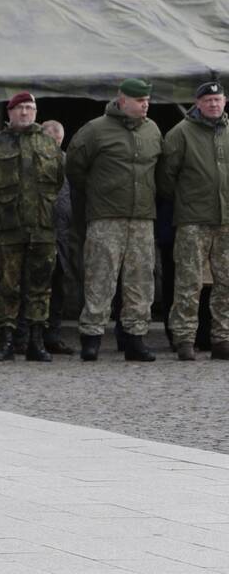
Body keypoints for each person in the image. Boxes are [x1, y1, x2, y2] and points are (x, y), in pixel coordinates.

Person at [67, 79, 163, 362]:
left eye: (147, 99)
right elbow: (74, 168)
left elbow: (162, 170)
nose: (145, 104)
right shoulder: (96, 130)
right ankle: (92, 336)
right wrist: (99, 192)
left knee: (140, 280)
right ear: (122, 101)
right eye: (139, 100)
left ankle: (135, 337)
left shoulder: (152, 130)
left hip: (142, 217)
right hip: (106, 216)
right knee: (100, 277)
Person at [0, 92, 64, 362]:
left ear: (36, 111)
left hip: (42, 227)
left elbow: (58, 180)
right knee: (7, 287)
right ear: (10, 112)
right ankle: (8, 340)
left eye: (29, 108)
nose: (25, 113)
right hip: (8, 228)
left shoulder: (49, 144)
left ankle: (37, 340)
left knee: (40, 287)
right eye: (19, 108)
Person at [157, 80, 229, 361]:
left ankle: (222, 338)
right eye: (208, 100)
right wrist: (188, 202)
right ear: (197, 103)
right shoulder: (181, 133)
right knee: (188, 282)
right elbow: (165, 179)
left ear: (224, 102)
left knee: (225, 283)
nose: (213, 104)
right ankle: (184, 339)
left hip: (226, 221)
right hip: (192, 221)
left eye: (218, 99)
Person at [40, 119, 78, 354]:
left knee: (59, 287)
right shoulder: (34, 161)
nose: (54, 144)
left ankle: (52, 335)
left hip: (63, 234)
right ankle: (29, 335)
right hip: (39, 232)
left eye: (57, 140)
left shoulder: (68, 163)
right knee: (35, 287)